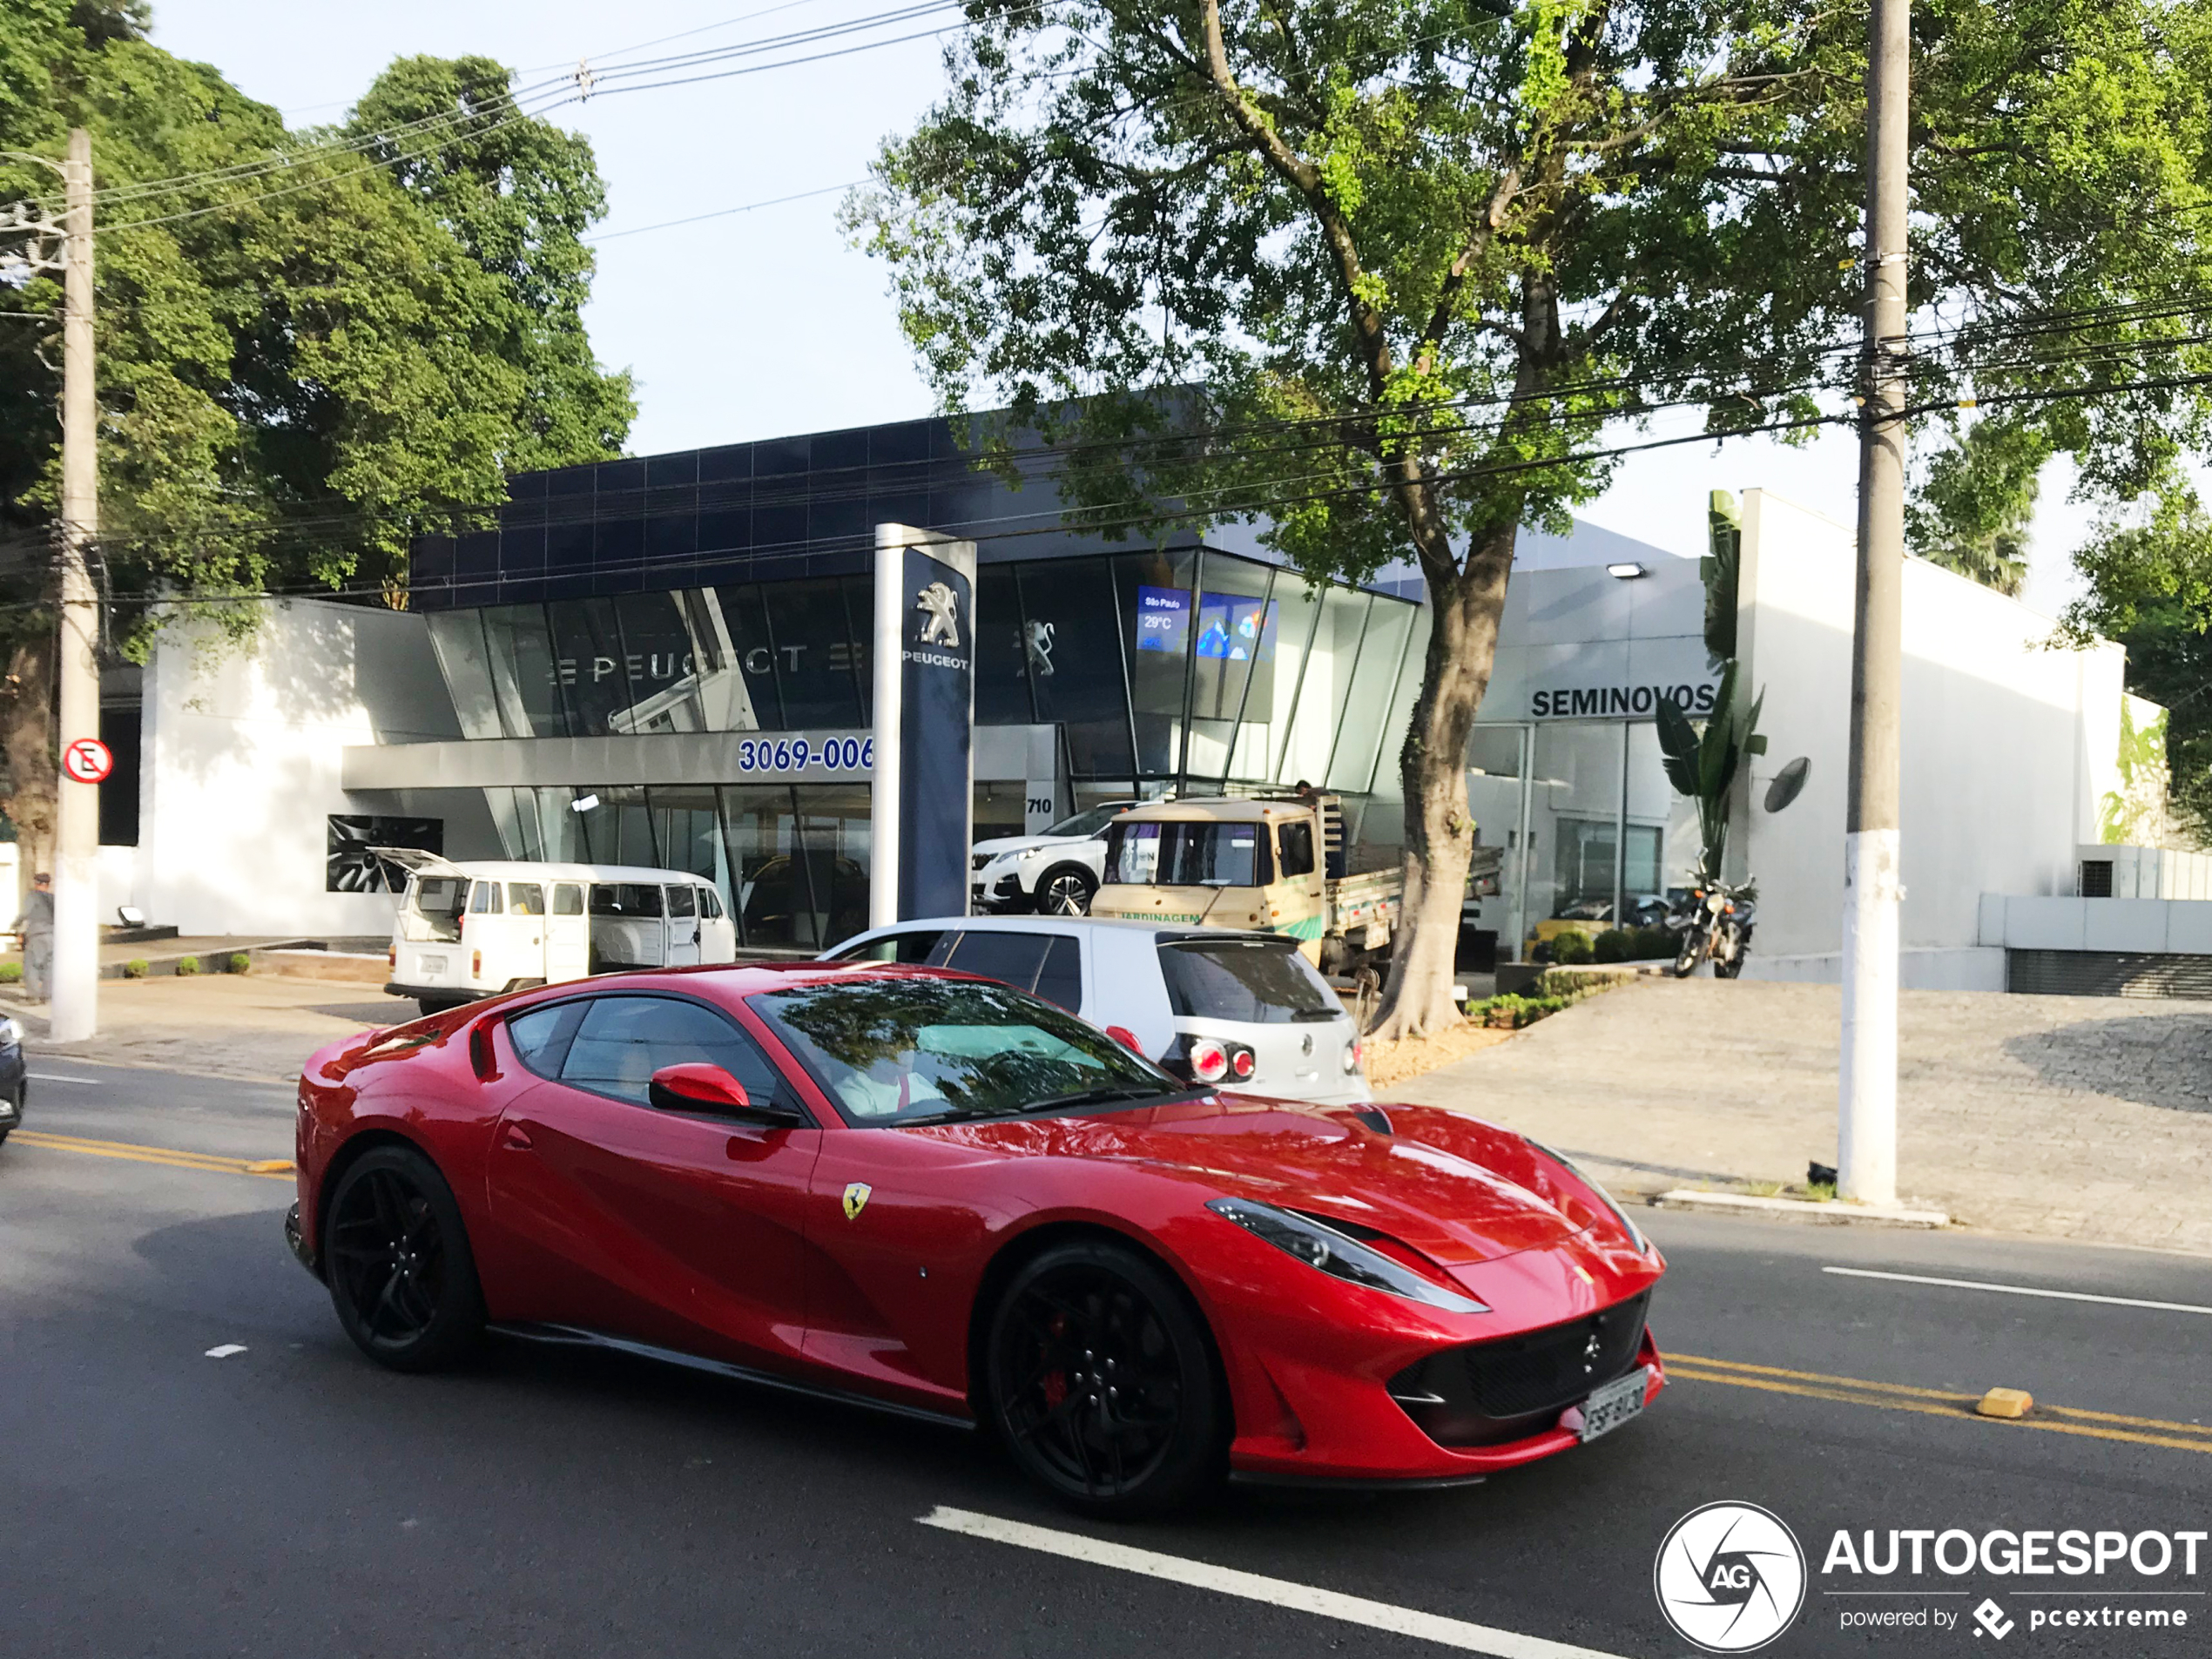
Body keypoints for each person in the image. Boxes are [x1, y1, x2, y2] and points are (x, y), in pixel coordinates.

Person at [21, 871, 53, 1003]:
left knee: (31, 965)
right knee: (49, 966)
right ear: (48, 884)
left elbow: (25, 913)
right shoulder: (54, 898)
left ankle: (33, 997)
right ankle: (47, 996)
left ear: (36, 883)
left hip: (36, 934)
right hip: (52, 935)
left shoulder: (33, 896)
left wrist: (16, 926)